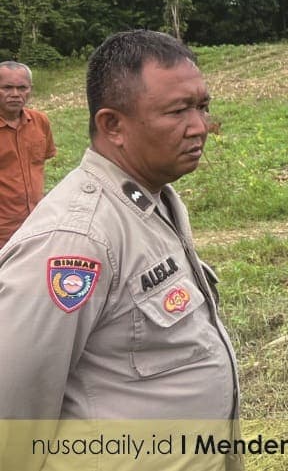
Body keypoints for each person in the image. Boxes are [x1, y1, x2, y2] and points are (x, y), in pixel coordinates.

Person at [0, 31, 239, 471]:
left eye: (202, 107)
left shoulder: (151, 197)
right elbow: (12, 409)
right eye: (178, 111)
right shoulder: (76, 240)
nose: (200, 126)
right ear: (113, 125)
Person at [0, 61, 56, 248]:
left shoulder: (40, 121)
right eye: (7, 88)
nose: (15, 94)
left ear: (30, 89)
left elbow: (40, 165)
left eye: (22, 88)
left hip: (36, 224)